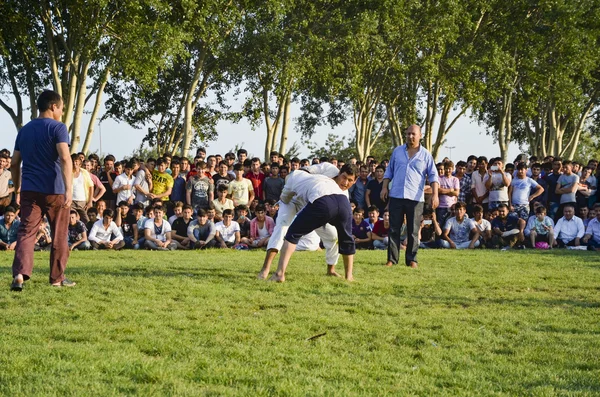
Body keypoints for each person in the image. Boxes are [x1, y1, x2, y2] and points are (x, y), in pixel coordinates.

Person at [10, 90, 75, 291]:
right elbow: (65, 158)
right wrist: (69, 188)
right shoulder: (58, 128)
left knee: (26, 233)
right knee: (59, 234)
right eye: (62, 109)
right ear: (53, 106)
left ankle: (20, 274)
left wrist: (18, 187)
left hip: (30, 189)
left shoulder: (24, 130)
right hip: (55, 190)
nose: (62, 113)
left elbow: (14, 163)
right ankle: (57, 278)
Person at [257, 162, 352, 280]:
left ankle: (331, 269)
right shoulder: (327, 169)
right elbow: (304, 172)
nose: (345, 183)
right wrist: (296, 186)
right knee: (282, 229)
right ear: (339, 173)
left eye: (350, 180)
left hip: (316, 205)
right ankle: (266, 269)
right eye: (344, 177)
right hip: (292, 199)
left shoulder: (343, 193)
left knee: (333, 236)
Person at [381, 124, 439, 269]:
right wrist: (384, 188)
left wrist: (435, 195)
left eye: (413, 134)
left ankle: (412, 259)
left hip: (415, 198)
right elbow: (389, 172)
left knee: (413, 230)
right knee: (394, 228)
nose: (410, 136)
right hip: (396, 195)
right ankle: (392, 260)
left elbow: (433, 176)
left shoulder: (425, 155)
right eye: (408, 134)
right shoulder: (397, 152)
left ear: (420, 136)